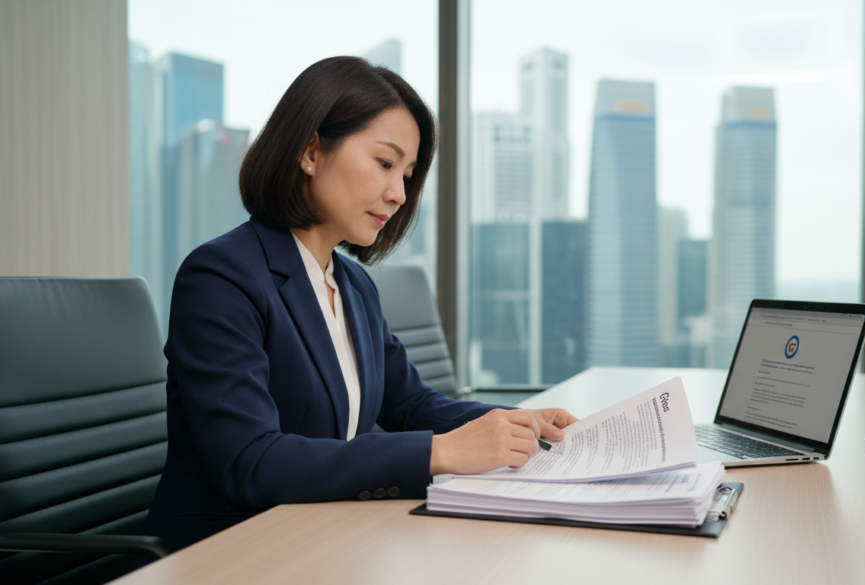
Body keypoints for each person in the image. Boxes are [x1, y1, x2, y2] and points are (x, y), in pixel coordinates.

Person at [141, 57, 578, 550]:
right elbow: (251, 463)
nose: (398, 194)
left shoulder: (350, 283)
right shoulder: (222, 276)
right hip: (225, 553)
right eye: (385, 163)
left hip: (322, 540)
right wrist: (442, 452)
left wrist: (522, 425)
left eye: (408, 175)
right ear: (310, 150)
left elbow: (410, 405)